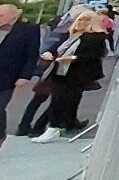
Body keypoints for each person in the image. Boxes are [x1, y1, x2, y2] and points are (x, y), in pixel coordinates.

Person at [30, 10, 109, 142]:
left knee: (64, 99)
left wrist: (74, 58)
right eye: (80, 20)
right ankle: (60, 125)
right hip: (61, 71)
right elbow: (56, 49)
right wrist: (49, 53)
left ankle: (53, 128)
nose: (82, 23)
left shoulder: (96, 37)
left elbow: (95, 55)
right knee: (61, 99)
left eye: (86, 20)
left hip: (77, 74)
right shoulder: (71, 35)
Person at [0, 3, 43, 145]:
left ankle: (0, 135)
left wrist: (25, 76)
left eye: (1, 15)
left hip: (8, 76)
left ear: (13, 16)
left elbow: (31, 56)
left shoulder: (28, 30)